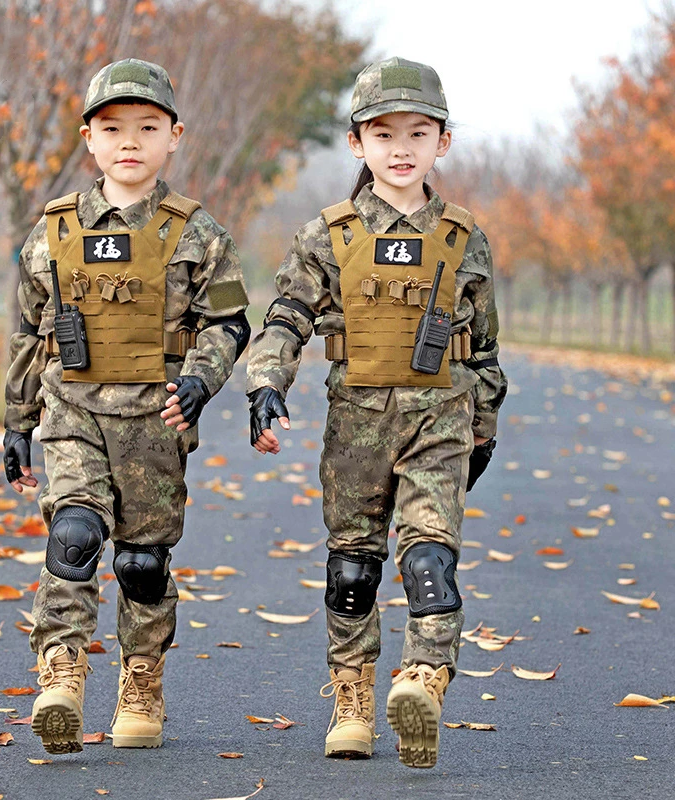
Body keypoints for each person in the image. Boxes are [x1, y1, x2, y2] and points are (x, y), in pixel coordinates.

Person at [246, 57, 507, 768]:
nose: (400, 147)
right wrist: (267, 382)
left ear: (441, 143)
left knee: (430, 560)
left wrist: (483, 430)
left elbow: (484, 348)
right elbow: (285, 316)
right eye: (383, 132)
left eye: (417, 132)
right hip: (356, 422)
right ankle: (354, 699)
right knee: (353, 572)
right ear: (357, 142)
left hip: (440, 421)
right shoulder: (327, 235)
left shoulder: (464, 238)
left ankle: (423, 679)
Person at [2, 58, 250, 755]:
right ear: (88, 138)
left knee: (142, 563)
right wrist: (19, 421)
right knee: (74, 534)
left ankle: (141, 678)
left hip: (155, 420)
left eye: (147, 127)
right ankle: (62, 670)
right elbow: (29, 331)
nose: (129, 141)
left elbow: (230, 323)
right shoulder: (52, 233)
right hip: (73, 408)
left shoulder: (197, 233)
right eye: (113, 128)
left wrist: (201, 381)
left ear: (175, 136)